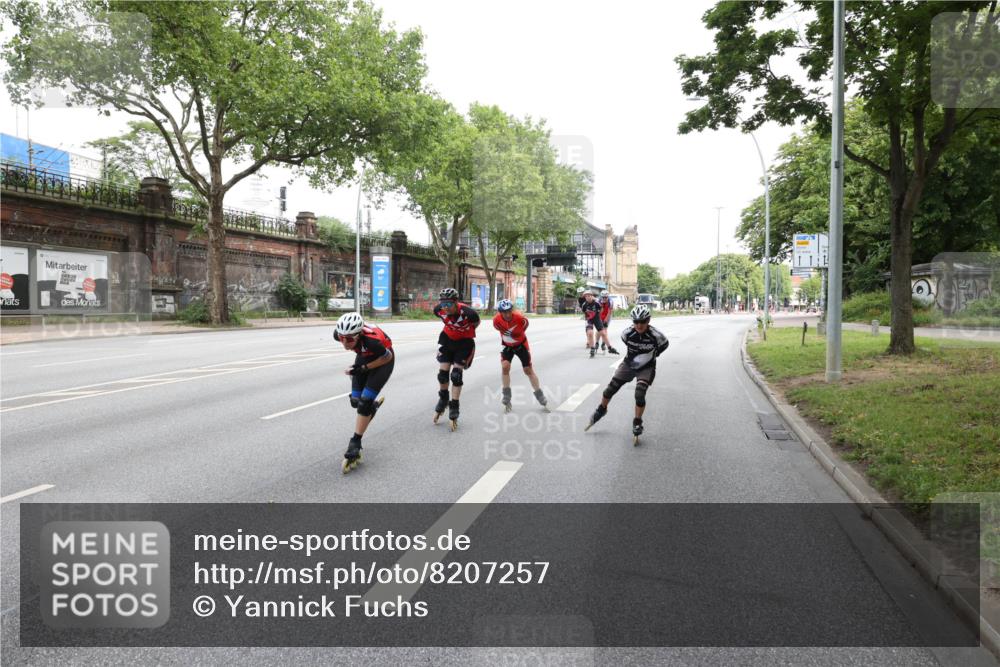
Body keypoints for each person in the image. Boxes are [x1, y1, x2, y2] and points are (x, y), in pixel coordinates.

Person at [585, 304, 669, 444]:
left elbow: (665, 344)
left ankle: (637, 421)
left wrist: (655, 354)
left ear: (648, 321)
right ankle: (602, 409)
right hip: (629, 364)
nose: (639, 325)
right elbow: (627, 344)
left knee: (640, 394)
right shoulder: (626, 334)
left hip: (646, 367)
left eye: (643, 322)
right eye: (636, 322)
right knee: (610, 390)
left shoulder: (656, 335)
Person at [333, 312, 394, 473]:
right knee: (355, 401)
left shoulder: (372, 341)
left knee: (364, 402)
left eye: (350, 339)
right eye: (341, 338)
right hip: (364, 356)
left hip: (383, 360)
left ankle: (355, 442)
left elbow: (386, 358)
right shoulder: (342, 334)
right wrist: (360, 367)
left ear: (359, 335)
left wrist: (363, 369)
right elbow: (350, 341)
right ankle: (371, 409)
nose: (345, 343)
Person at [432, 287, 480, 429]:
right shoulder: (438, 310)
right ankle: (443, 398)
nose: (445, 308)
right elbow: (444, 319)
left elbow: (476, 324)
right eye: (443, 304)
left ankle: (454, 406)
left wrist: (463, 331)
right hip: (447, 340)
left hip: (464, 343)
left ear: (456, 302)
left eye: (448, 304)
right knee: (442, 375)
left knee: (456, 375)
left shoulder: (469, 313)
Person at [492, 299, 549, 412]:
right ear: (500, 312)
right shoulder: (496, 320)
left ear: (512, 310)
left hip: (521, 345)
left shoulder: (519, 318)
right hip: (507, 346)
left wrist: (516, 337)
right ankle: (507, 394)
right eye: (504, 312)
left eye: (509, 311)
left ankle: (539, 394)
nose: (507, 314)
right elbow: (499, 329)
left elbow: (524, 327)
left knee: (528, 369)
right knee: (505, 367)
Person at [578, 289, 618, 357]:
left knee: (603, 333)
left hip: (597, 318)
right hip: (589, 319)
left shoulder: (597, 302)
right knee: (590, 333)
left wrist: (598, 316)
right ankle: (592, 348)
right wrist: (588, 316)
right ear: (585, 297)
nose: (588, 297)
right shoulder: (584, 304)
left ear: (592, 296)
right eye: (586, 296)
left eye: (589, 296)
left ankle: (610, 348)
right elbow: (584, 312)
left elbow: (601, 309)